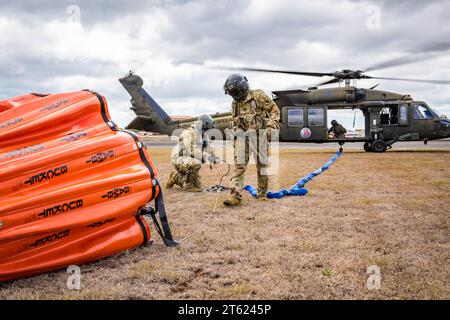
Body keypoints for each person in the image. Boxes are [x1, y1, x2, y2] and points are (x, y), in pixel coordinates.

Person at [222, 74, 280, 206]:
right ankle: (235, 195)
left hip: (260, 137)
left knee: (262, 166)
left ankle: (262, 193)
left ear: (242, 87)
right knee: (239, 166)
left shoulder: (258, 96)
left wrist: (271, 126)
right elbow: (234, 120)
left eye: (235, 92)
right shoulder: (235, 103)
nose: (235, 95)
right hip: (242, 137)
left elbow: (274, 110)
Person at [166, 114, 219, 192]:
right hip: (179, 159)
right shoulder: (188, 133)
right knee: (196, 163)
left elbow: (209, 148)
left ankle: (175, 177)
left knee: (198, 185)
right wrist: (207, 156)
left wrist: (214, 157)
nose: (208, 130)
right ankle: (188, 186)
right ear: (203, 125)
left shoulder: (203, 136)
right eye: (207, 128)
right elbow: (192, 150)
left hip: (188, 159)